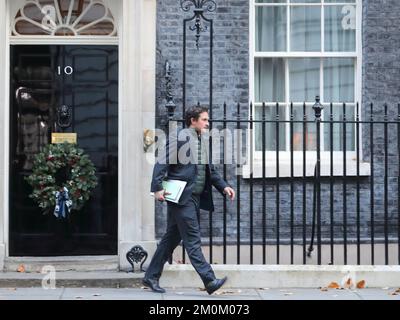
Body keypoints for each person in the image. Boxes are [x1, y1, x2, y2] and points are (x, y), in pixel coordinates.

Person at [143, 105, 235, 294]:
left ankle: (150, 276)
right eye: (204, 120)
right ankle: (209, 280)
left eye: (208, 120)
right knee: (193, 239)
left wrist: (224, 186)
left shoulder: (201, 140)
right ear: (193, 121)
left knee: (171, 238)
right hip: (181, 197)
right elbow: (162, 161)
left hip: (193, 197)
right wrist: (157, 188)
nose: (208, 123)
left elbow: (210, 170)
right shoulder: (179, 137)